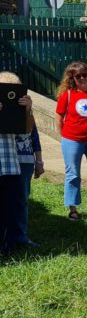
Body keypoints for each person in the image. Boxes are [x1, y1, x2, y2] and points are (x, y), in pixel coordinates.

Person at [55, 62, 87, 221]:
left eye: (85, 75)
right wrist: (65, 135)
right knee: (73, 173)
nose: (82, 78)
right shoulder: (68, 95)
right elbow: (59, 117)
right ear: (72, 79)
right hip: (72, 140)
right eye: (78, 76)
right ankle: (73, 208)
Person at [0, 71, 35, 253]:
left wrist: (27, 109)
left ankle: (9, 244)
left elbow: (27, 130)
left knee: (10, 208)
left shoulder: (16, 107)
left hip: (10, 165)